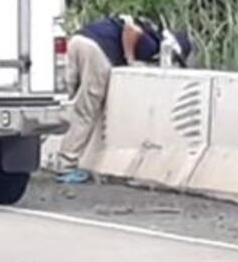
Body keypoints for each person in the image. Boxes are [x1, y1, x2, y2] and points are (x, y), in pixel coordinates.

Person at [55, 15, 193, 184]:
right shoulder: (154, 42)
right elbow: (130, 30)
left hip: (78, 41)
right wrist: (130, 59)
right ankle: (66, 165)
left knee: (59, 104)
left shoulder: (150, 27)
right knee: (86, 111)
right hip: (97, 51)